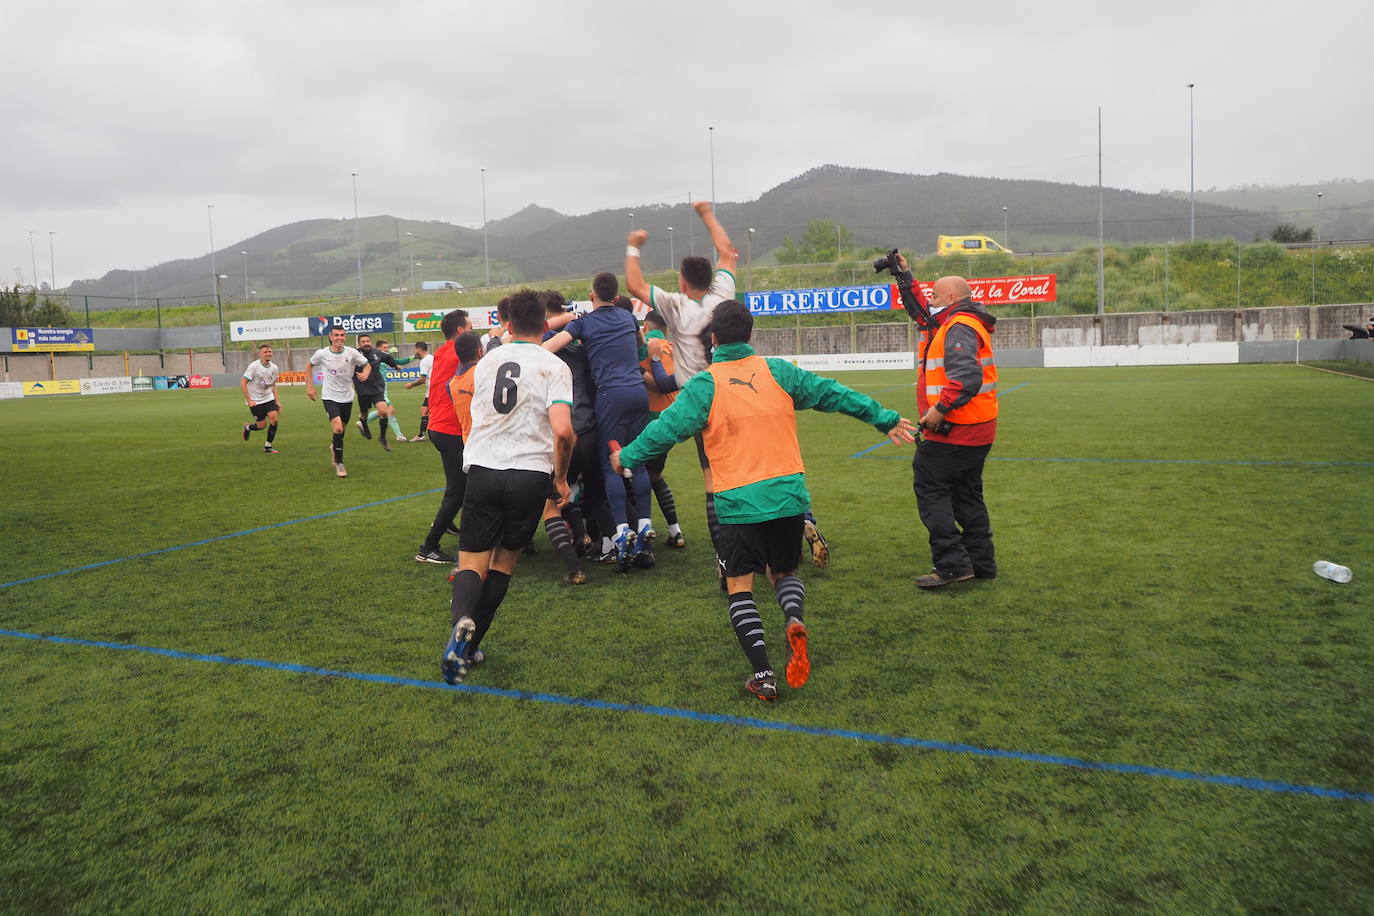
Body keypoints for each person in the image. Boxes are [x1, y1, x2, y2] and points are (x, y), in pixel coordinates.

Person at [612, 300, 916, 701]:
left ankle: (764, 674)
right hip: (788, 497)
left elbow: (665, 430)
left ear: (714, 339)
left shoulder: (705, 384)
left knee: (740, 586)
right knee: (784, 573)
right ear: (750, 335)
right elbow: (834, 393)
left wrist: (626, 457)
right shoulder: (779, 371)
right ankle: (792, 618)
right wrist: (884, 417)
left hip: (738, 502)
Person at [624, 201, 832, 573]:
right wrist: (706, 215)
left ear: (683, 282)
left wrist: (634, 245)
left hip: (704, 400)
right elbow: (727, 252)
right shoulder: (724, 294)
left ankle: (727, 561)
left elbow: (634, 285)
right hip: (744, 389)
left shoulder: (674, 305)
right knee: (767, 464)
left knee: (716, 480)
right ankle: (801, 518)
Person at [440, 290, 574, 684]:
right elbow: (563, 431)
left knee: (471, 561)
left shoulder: (486, 361)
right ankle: (472, 640)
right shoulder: (554, 366)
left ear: (509, 325)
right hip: (529, 474)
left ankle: (461, 624)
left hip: (483, 467)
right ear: (546, 325)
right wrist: (561, 477)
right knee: (503, 563)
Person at [893, 257, 1000, 588]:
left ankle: (952, 563)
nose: (931, 302)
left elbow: (966, 376)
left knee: (931, 488)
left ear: (951, 299)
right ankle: (981, 562)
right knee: (968, 496)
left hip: (954, 429)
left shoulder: (957, 327)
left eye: (937, 297)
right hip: (978, 429)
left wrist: (939, 410)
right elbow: (919, 309)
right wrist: (903, 275)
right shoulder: (957, 320)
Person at [544, 272, 656, 572]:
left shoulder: (584, 323)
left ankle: (621, 531)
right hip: (638, 393)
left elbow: (549, 347)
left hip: (611, 397)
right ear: (617, 297)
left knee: (611, 466)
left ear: (592, 295)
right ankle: (644, 523)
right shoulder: (628, 319)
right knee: (638, 462)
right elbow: (641, 342)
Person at [415, 310, 471, 564]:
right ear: (460, 331)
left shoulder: (442, 351)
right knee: (458, 491)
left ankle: (448, 523)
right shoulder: (457, 351)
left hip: (440, 427)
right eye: (469, 326)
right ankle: (428, 548)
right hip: (449, 429)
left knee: (462, 486)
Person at [639, 309, 685, 547]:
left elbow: (659, 385)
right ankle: (675, 531)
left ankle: (641, 534)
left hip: (649, 420)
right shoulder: (673, 347)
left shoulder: (646, 344)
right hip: (672, 420)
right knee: (654, 475)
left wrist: (636, 370)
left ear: (646, 325)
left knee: (635, 474)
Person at [306, 327, 370, 478]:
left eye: (342, 335)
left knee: (341, 430)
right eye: (336, 335)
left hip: (347, 397)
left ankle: (334, 446)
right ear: (330, 337)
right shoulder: (322, 354)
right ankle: (339, 463)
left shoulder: (352, 352)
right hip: (329, 396)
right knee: (338, 428)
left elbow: (367, 365)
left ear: (345, 337)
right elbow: (309, 365)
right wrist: (309, 385)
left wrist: (364, 375)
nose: (339, 338)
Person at [352, 334, 404, 451]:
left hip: (377, 389)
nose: (366, 343)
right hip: (363, 390)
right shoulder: (354, 355)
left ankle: (382, 438)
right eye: (363, 342)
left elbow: (388, 358)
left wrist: (395, 365)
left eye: (367, 341)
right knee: (364, 415)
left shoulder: (377, 353)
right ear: (359, 344)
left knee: (384, 411)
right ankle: (364, 424)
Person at [360, 340, 410, 441]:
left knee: (383, 411)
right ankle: (399, 435)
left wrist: (396, 366)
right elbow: (399, 361)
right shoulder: (374, 359)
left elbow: (396, 362)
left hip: (382, 387)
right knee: (390, 410)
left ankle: (363, 422)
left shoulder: (382, 358)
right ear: (378, 349)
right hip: (377, 389)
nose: (387, 349)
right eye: (385, 348)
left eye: (387, 347)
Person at [240, 344, 282, 454]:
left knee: (274, 418)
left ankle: (268, 446)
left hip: (268, 397)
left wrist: (277, 401)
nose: (268, 354)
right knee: (261, 425)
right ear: (260, 354)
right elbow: (243, 383)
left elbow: (274, 385)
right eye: (265, 352)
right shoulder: (254, 367)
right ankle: (248, 427)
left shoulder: (274, 368)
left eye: (269, 352)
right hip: (255, 400)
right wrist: (249, 400)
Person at [404, 340, 431, 440]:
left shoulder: (424, 361)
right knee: (425, 411)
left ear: (419, 349)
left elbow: (422, 379)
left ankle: (421, 435)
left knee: (425, 411)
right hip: (434, 389)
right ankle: (422, 434)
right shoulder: (431, 358)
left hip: (432, 390)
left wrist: (411, 385)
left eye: (415, 349)